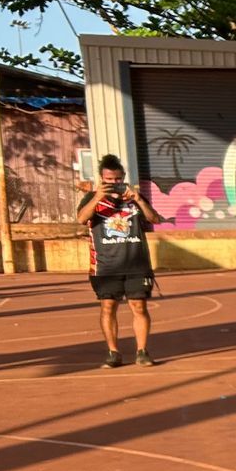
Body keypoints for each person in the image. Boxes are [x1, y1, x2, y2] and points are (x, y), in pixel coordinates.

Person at [76, 154, 164, 367]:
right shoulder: (91, 198)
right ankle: (113, 352)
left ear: (123, 177)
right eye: (108, 180)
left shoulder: (134, 198)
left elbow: (155, 219)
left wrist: (139, 200)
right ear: (101, 179)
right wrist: (97, 197)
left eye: (117, 180)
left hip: (136, 264)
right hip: (105, 266)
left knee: (139, 307)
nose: (114, 184)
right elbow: (81, 219)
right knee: (108, 307)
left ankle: (142, 351)